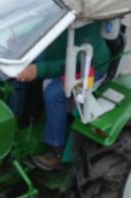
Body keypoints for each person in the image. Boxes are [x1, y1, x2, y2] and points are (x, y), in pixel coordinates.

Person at [17, 19, 110, 171]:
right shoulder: (62, 11)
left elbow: (74, 64)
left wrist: (39, 70)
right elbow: (40, 24)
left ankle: (56, 151)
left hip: (89, 67)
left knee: (53, 93)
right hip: (58, 53)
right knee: (20, 67)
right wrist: (21, 39)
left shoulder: (85, 27)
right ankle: (20, 119)